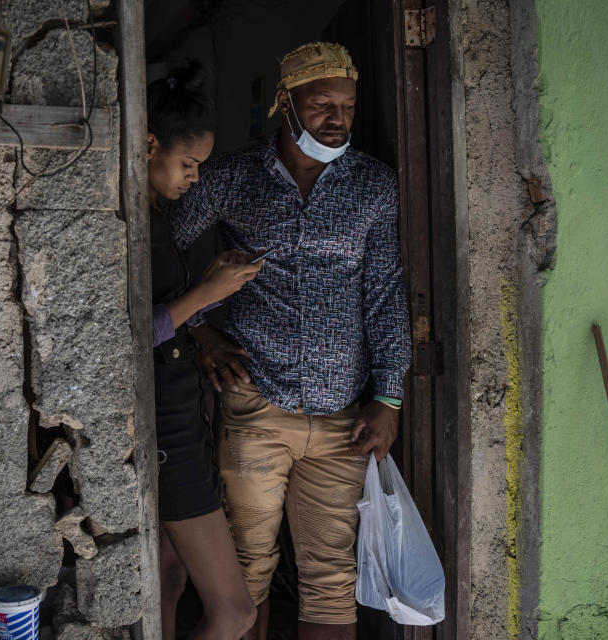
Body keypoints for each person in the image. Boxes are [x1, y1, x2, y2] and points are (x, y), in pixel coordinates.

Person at [175, 43, 411, 640]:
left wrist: (388, 399)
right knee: (245, 571)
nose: (336, 119)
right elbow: (160, 244)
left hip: (343, 417)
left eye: (348, 106)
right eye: (320, 104)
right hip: (256, 403)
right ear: (286, 103)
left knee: (331, 577)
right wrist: (197, 327)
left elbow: (385, 296)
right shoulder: (232, 178)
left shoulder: (374, 188)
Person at [146, 61, 260, 640]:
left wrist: (210, 280)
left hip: (180, 409)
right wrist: (204, 295)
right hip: (161, 427)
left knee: (167, 579)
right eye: (188, 164)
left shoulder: (159, 219)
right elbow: (129, 336)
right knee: (236, 613)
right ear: (149, 145)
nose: (195, 179)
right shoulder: (127, 224)